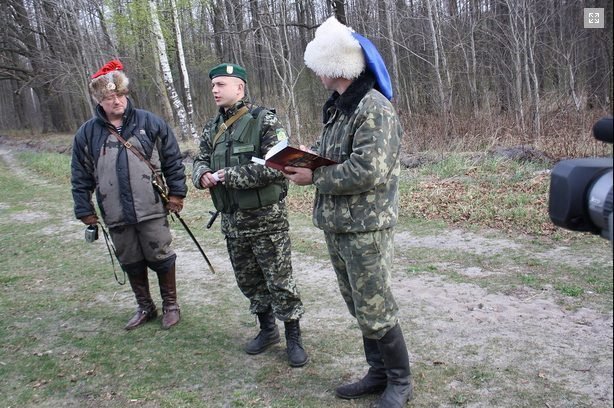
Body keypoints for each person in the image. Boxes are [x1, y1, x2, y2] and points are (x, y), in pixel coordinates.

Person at [284, 17, 413, 407]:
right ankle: (378, 373)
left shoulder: (373, 108)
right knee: (359, 305)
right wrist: (305, 157)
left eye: (318, 65)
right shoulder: (341, 109)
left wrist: (315, 176)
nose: (315, 73)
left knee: (376, 305)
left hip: (366, 227)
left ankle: (400, 381)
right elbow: (334, 156)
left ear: (334, 65)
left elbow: (368, 170)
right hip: (340, 224)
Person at [192, 63, 308, 367]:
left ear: (239, 88)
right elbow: (199, 160)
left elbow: (277, 166)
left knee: (280, 281)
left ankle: (293, 337)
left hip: (266, 222)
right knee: (249, 281)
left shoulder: (264, 121)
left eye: (221, 84)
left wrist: (228, 175)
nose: (215, 90)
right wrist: (201, 174)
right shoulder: (211, 127)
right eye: (213, 85)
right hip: (233, 222)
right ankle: (267, 330)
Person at [71, 59, 187, 331]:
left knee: (161, 256)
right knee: (130, 259)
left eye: (120, 95)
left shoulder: (151, 122)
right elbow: (80, 174)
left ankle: (171, 306)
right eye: (109, 97)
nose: (116, 101)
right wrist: (84, 209)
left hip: (151, 207)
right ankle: (145, 306)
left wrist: (177, 194)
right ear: (99, 100)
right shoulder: (87, 133)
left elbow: (172, 160)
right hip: (114, 211)